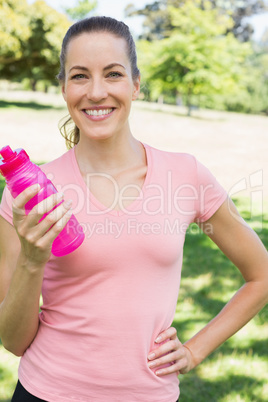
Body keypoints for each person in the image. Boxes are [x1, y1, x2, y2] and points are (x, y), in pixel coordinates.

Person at [0, 16, 267, 402]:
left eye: (112, 74)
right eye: (79, 76)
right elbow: (12, 341)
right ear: (62, 88)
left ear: (135, 85)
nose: (95, 92)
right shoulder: (27, 195)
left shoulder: (186, 175)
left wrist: (195, 350)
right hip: (46, 392)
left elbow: (261, 276)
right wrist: (31, 259)